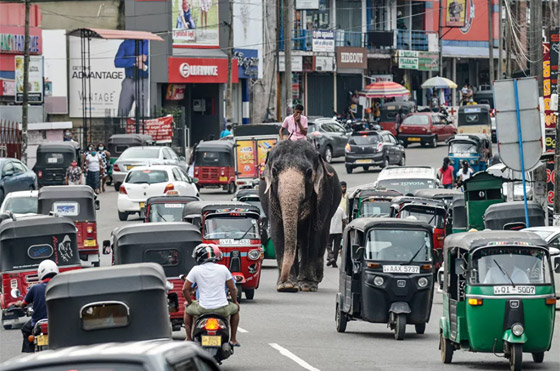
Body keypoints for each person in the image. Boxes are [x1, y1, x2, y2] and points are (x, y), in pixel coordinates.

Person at [182, 244, 240, 346]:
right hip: (223, 308)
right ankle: (233, 339)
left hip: (203, 308)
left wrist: (190, 303)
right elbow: (233, 288)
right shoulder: (223, 268)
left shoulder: (196, 269)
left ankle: (188, 338)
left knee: (187, 311)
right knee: (235, 310)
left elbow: (185, 289)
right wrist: (235, 302)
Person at [12, 260, 59, 352]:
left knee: (26, 330)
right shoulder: (61, 286)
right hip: (58, 321)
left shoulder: (35, 288)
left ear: (41, 272)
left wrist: (18, 303)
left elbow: (23, 304)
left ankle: (29, 354)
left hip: (38, 321)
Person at [114, 39, 149, 117]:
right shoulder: (126, 43)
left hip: (144, 80)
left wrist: (145, 66)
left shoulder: (150, 43)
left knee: (143, 112)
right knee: (122, 110)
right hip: (129, 79)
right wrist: (135, 61)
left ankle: (142, 128)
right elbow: (117, 62)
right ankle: (121, 128)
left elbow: (158, 61)